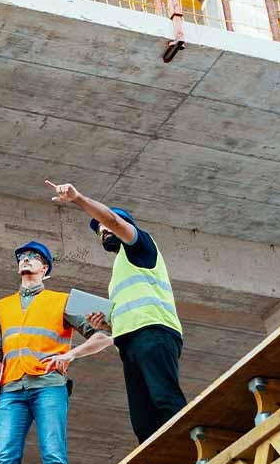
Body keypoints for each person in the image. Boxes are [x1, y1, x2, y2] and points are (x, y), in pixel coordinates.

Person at [45, 180, 188, 444]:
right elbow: (118, 325)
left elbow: (111, 219)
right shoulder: (119, 274)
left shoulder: (140, 247)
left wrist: (78, 198)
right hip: (129, 343)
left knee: (165, 400)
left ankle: (192, 456)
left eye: (105, 227)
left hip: (155, 334)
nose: (102, 231)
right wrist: (107, 325)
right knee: (143, 420)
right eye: (98, 231)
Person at [0, 241, 112, 464]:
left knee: (54, 454)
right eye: (21, 256)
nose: (25, 260)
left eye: (33, 257)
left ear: (45, 268)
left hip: (49, 386)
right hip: (10, 391)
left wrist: (71, 355)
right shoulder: (2, 306)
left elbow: (104, 336)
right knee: (6, 458)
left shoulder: (63, 301)